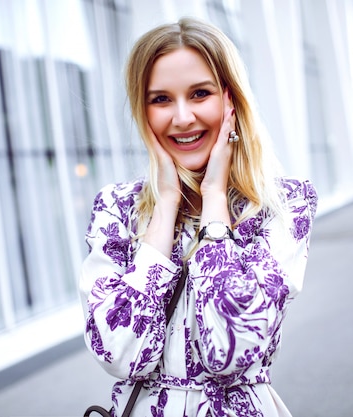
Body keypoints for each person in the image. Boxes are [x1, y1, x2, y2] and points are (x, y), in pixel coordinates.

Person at [80, 17, 317, 417]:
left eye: (200, 93)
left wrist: (213, 202)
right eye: (160, 99)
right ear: (143, 110)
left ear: (230, 100)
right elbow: (118, 355)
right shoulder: (116, 208)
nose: (183, 117)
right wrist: (166, 204)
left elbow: (229, 351)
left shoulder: (282, 205)